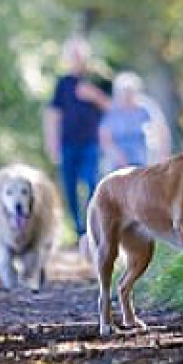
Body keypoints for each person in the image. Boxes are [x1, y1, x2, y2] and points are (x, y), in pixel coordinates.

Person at [43, 36, 110, 237]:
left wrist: (95, 96)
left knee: (92, 182)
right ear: (67, 58)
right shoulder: (62, 83)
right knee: (69, 187)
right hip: (67, 143)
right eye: (73, 55)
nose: (77, 58)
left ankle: (92, 224)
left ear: (86, 57)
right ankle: (78, 227)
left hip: (92, 142)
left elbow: (113, 109)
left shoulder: (99, 79)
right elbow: (53, 114)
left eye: (80, 55)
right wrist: (51, 143)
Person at [99, 71, 172, 172]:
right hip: (117, 162)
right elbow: (105, 139)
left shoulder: (144, 109)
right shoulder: (113, 112)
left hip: (142, 160)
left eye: (130, 92)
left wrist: (163, 154)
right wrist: (117, 155)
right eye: (123, 92)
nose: (127, 96)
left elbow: (162, 129)